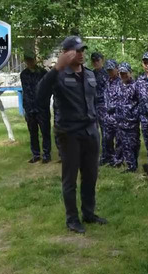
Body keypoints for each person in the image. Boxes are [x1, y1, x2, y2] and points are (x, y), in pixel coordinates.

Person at [36, 36, 107, 233]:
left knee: (90, 175)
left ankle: (89, 213)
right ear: (66, 53)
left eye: (82, 50)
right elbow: (39, 94)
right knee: (70, 178)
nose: (81, 54)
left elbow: (96, 101)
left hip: (91, 132)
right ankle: (72, 219)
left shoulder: (90, 75)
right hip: (69, 133)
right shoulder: (58, 74)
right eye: (77, 50)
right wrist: (56, 68)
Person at [20, 51, 50, 163]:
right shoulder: (23, 74)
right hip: (30, 107)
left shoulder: (43, 73)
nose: (30, 62)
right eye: (27, 60)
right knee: (33, 133)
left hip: (42, 108)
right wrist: (25, 108)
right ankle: (36, 154)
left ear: (35, 60)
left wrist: (45, 102)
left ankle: (46, 154)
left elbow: (48, 89)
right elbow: (25, 91)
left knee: (45, 132)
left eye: (31, 60)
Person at [114, 62, 140, 172]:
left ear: (130, 73)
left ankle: (133, 166)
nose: (123, 75)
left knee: (133, 143)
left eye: (125, 73)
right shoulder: (119, 85)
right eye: (121, 73)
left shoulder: (136, 86)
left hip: (131, 121)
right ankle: (128, 164)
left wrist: (135, 115)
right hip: (120, 120)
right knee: (123, 143)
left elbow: (140, 102)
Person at [90, 52, 110, 165]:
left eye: (97, 60)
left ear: (102, 60)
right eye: (94, 61)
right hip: (92, 106)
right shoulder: (90, 75)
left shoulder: (107, 74)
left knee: (106, 133)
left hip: (104, 106)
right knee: (93, 133)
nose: (95, 63)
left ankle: (106, 155)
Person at [103, 59, 120, 166]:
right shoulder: (107, 82)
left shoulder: (120, 82)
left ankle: (117, 159)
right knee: (107, 138)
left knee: (119, 139)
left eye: (111, 70)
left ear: (116, 69)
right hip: (108, 115)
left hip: (117, 115)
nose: (110, 72)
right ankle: (108, 156)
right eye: (108, 70)